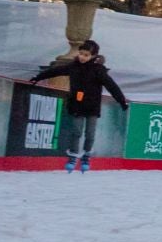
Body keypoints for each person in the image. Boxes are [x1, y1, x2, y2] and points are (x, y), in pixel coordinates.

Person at [29, 39, 128, 172]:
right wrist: (38, 77)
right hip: (76, 105)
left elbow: (112, 86)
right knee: (76, 132)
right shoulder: (73, 66)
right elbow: (55, 71)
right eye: (81, 53)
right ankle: (73, 155)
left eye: (86, 55)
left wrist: (121, 101)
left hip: (92, 107)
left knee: (90, 134)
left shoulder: (98, 70)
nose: (82, 57)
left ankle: (86, 155)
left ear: (93, 56)